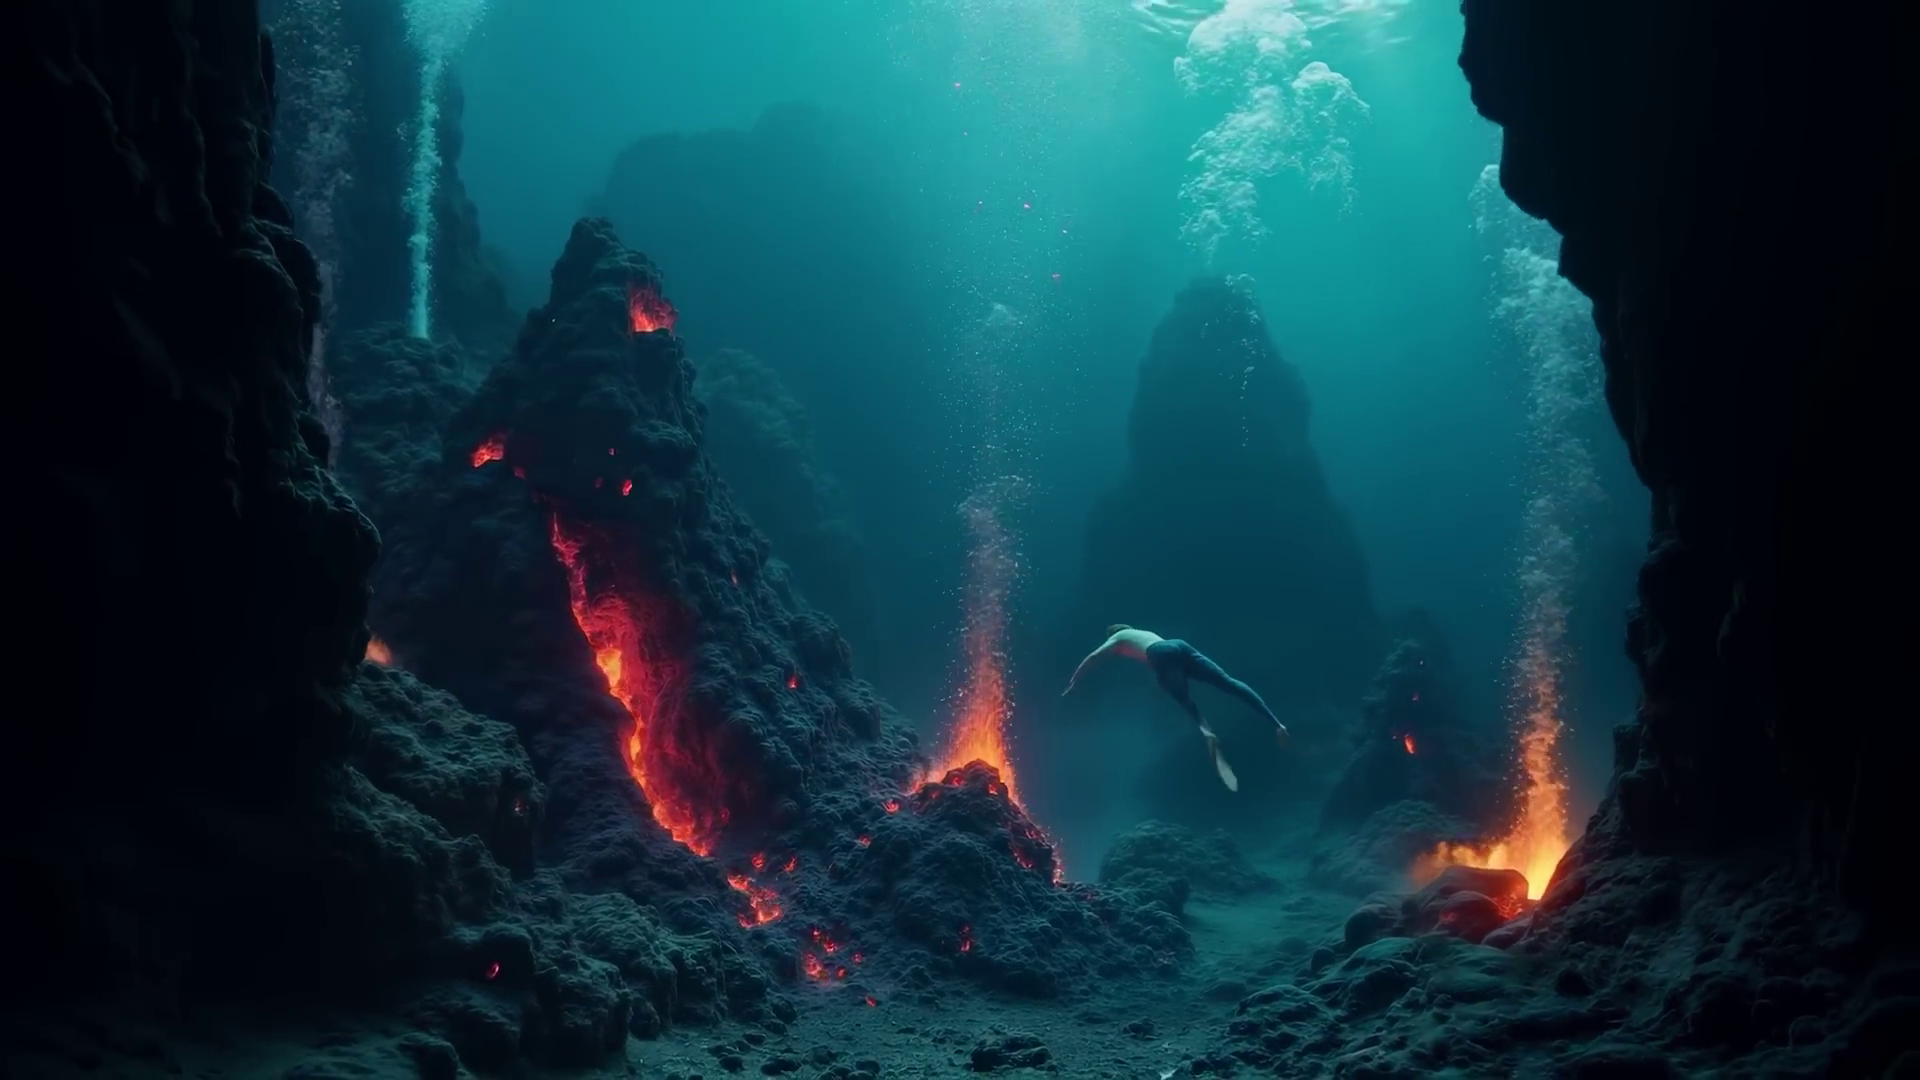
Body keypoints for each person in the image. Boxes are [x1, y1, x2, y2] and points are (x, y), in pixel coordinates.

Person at [1061, 624, 1289, 792]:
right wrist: (1161, 687)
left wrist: (1074, 682)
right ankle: (1277, 723)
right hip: (1178, 646)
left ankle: (1206, 730)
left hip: (1160, 656)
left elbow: (1094, 657)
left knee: (1185, 700)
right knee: (1228, 683)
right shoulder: (1142, 633)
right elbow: (1163, 662)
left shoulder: (1118, 637)